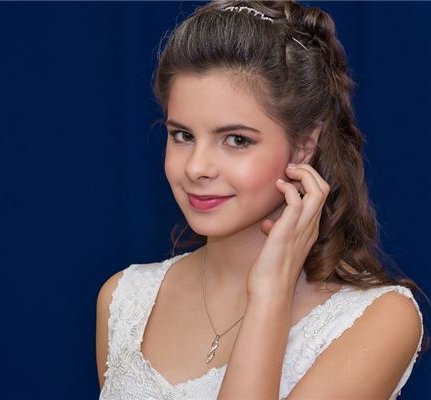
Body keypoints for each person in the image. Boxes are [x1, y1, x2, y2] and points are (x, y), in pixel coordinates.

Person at [95, 1, 428, 399]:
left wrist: (270, 292)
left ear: (304, 146)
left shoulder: (377, 319)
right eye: (182, 135)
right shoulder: (124, 300)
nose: (196, 168)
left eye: (237, 140)